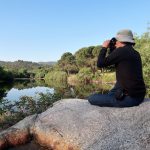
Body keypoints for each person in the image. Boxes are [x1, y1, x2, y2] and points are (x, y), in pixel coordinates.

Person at [88, 29, 146, 107]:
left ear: (120, 41)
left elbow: (100, 63)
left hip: (131, 98)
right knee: (115, 88)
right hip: (139, 94)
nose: (115, 43)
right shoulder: (135, 53)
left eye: (116, 40)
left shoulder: (121, 51)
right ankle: (112, 98)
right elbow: (112, 59)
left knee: (92, 98)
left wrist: (104, 48)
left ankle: (115, 99)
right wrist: (112, 48)